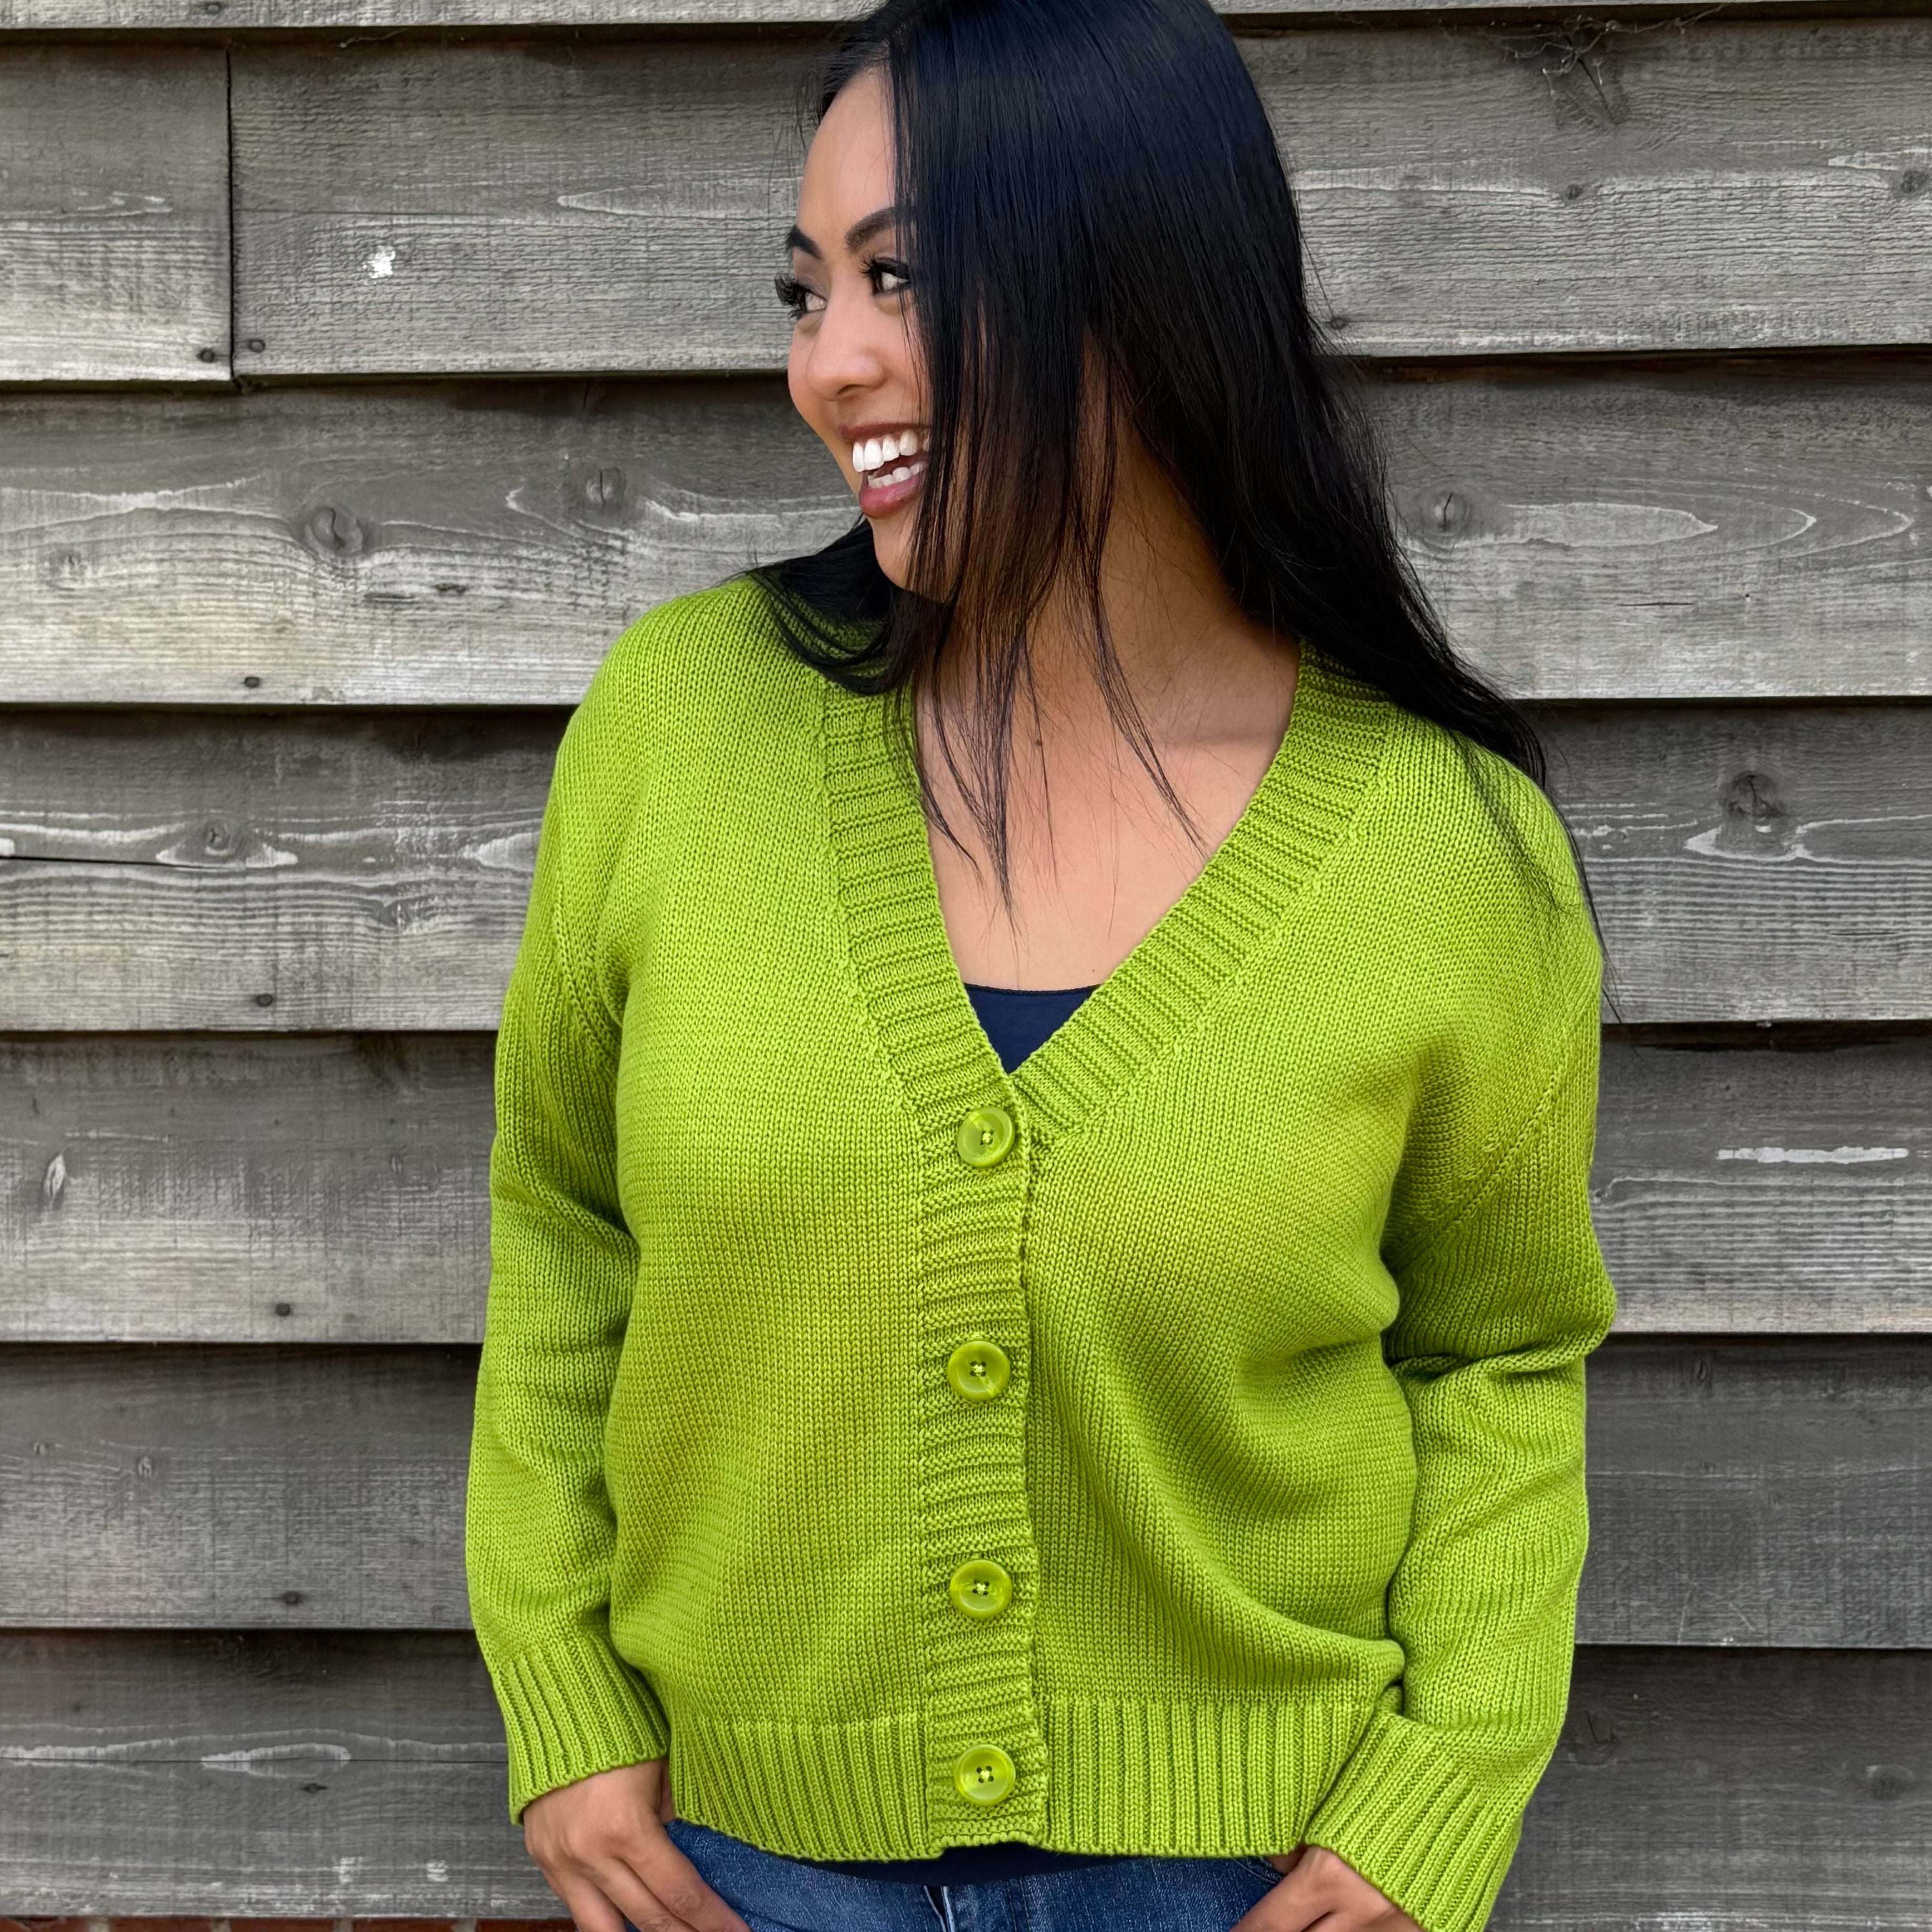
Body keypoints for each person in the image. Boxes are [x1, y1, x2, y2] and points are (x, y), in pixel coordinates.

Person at [463, 0, 1620, 1928]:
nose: (831, 365)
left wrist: (1428, 1811)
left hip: (1244, 1880)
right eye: (808, 288)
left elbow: (1499, 1358)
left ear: (1140, 289)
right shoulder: (683, 727)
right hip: (736, 1871)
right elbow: (565, 1229)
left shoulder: (1444, 848)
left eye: (902, 277)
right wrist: (563, 1695)